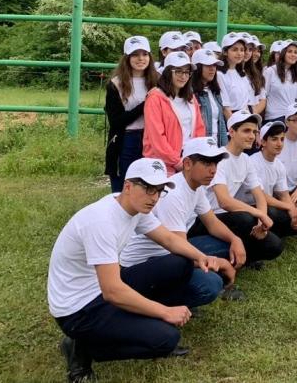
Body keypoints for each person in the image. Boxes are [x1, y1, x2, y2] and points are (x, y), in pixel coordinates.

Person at [47, 158, 223, 382]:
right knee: (166, 339)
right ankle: (82, 347)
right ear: (128, 186)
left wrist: (201, 256)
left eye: (159, 191)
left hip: (101, 288)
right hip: (78, 309)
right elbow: (112, 291)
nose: (154, 197)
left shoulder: (133, 209)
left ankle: (133, 319)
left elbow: (169, 239)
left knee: (179, 262)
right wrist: (164, 311)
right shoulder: (101, 221)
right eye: (148, 189)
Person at [120, 139, 243, 305]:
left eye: (215, 163)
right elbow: (177, 249)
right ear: (187, 164)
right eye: (206, 163)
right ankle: (154, 301)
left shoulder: (196, 187)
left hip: (169, 252)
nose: (213, 170)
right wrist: (218, 262)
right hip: (146, 262)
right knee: (210, 284)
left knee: (226, 245)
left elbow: (212, 223)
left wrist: (235, 239)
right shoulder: (174, 195)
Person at [200, 111, 284, 266]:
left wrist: (261, 221)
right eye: (246, 131)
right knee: (244, 218)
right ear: (231, 132)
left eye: (254, 132)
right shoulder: (219, 158)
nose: (252, 136)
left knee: (275, 246)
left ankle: (243, 258)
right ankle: (229, 256)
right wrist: (257, 213)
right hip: (208, 218)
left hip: (230, 216)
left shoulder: (246, 159)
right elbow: (224, 201)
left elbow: (259, 195)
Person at [105, 36, 159, 192]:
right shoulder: (116, 84)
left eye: (144, 54)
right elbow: (116, 121)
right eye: (135, 54)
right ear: (127, 58)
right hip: (126, 140)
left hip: (151, 139)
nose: (140, 58)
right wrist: (147, 103)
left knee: (149, 184)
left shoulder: (158, 81)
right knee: (124, 186)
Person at [143, 51, 205, 176]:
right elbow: (157, 137)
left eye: (187, 72)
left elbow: (199, 128)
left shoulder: (190, 97)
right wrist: (177, 161)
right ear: (167, 72)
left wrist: (196, 155)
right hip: (162, 164)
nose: (183, 76)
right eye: (178, 71)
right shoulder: (155, 97)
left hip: (188, 159)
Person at [251, 120, 297, 237]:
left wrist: (293, 210)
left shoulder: (279, 165)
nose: (279, 143)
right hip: (252, 206)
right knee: (272, 212)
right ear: (263, 142)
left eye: (282, 139)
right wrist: (289, 207)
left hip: (267, 206)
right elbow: (262, 196)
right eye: (274, 139)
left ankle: (272, 231)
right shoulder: (253, 162)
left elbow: (284, 195)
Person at [191, 48, 228, 146]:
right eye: (208, 65)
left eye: (214, 65)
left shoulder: (215, 91)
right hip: (200, 146)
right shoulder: (190, 93)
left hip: (216, 145)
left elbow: (221, 123)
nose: (212, 69)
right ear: (198, 68)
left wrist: (224, 147)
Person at [217, 32, 259, 116]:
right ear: (225, 52)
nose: (239, 53)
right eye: (234, 49)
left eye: (242, 50)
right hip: (231, 119)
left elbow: (246, 104)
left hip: (245, 116)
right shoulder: (219, 74)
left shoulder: (242, 74)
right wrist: (234, 125)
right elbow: (225, 108)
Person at [264, 40, 297, 123]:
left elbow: (296, 98)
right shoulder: (270, 71)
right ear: (283, 53)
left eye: (296, 52)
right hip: (274, 117)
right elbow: (263, 96)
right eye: (289, 51)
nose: (293, 55)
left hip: (291, 118)